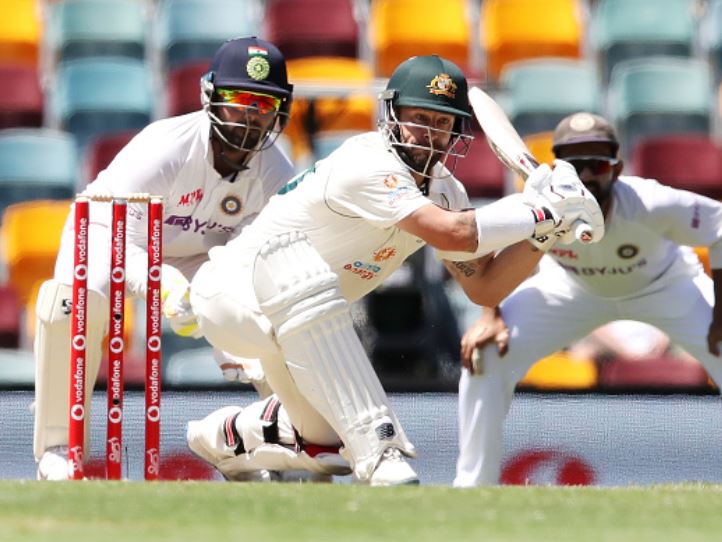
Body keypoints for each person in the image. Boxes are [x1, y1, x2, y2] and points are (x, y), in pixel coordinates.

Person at [181, 55, 605, 485]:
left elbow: (486, 287)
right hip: (235, 295)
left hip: (302, 326)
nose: (429, 133)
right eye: (418, 118)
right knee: (307, 278)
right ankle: (382, 450)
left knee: (324, 449)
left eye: (442, 122)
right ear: (392, 116)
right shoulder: (367, 162)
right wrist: (538, 209)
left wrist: (545, 233)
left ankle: (223, 438)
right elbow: (452, 233)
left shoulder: (446, 190)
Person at [455, 112, 722, 486]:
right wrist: (489, 315)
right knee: (486, 353)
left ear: (617, 167)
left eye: (597, 162)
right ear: (558, 166)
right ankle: (473, 486)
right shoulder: (535, 205)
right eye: (576, 163)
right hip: (570, 288)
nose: (587, 173)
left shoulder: (650, 202)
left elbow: (721, 225)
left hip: (664, 285)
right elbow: (480, 244)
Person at [33, 36, 296, 480]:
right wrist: (165, 285)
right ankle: (60, 449)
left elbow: (261, 254)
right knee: (69, 305)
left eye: (264, 104)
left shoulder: (275, 170)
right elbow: (122, 237)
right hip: (105, 231)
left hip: (201, 253)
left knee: (271, 317)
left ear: (280, 110)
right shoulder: (167, 146)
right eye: (239, 99)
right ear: (211, 96)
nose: (251, 116)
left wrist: (233, 323)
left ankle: (272, 446)